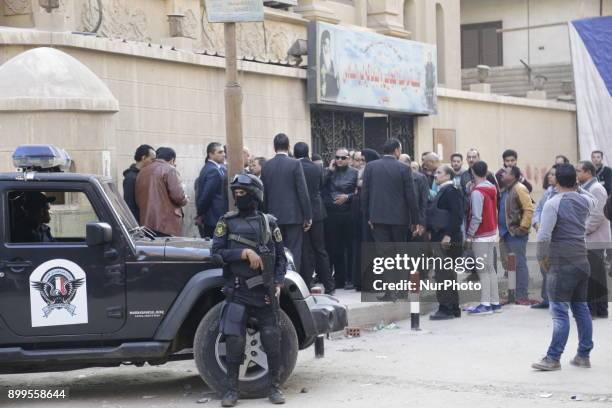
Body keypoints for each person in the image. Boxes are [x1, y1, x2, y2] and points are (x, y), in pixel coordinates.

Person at [212, 173, 287, 406]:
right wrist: (242, 253)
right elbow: (215, 254)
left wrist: (278, 282)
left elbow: (282, 258)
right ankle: (231, 390)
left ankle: (274, 387)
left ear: (254, 194)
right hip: (238, 290)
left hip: (264, 292)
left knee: (272, 339)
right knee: (234, 341)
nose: (237, 196)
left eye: (242, 193)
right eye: (235, 193)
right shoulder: (227, 222)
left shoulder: (269, 223)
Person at [532, 164, 595, 371]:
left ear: (556, 181)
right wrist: (578, 186)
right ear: (575, 181)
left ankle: (553, 358)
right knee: (581, 308)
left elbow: (543, 236)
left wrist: (541, 258)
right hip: (581, 261)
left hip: (562, 263)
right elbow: (592, 199)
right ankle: (583, 355)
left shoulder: (553, 203)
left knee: (559, 312)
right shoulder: (585, 200)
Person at [362, 139, 419, 300]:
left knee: (385, 255)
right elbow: (411, 196)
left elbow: (365, 194)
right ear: (396, 151)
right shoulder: (404, 168)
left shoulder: (371, 167)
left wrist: (368, 216)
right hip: (400, 219)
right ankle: (401, 290)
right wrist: (415, 220)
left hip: (377, 218)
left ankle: (390, 291)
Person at [261, 133, 312, 274]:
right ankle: (293, 278)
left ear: (274, 147)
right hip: (293, 215)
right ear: (289, 146)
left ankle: (278, 277)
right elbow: (302, 191)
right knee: (294, 250)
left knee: (276, 249)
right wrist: (307, 216)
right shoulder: (295, 163)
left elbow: (263, 193)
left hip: (272, 215)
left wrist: (265, 214)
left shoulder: (266, 166)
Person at [294, 142, 332, 292]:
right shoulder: (317, 168)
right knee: (320, 249)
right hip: (317, 212)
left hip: (300, 213)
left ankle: (307, 283)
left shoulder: (294, 167)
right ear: (308, 152)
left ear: (295, 154)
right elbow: (321, 185)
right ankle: (329, 284)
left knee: (304, 250)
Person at [427, 165, 463, 320]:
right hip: (440, 237)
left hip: (446, 239)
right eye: (435, 172)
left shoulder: (451, 190)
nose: (436, 175)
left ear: (448, 175)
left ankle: (446, 308)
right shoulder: (444, 189)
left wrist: (448, 235)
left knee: (443, 274)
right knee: (447, 274)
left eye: (439, 172)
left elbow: (457, 215)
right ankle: (453, 307)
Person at [465, 161, 501, 315]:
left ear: (473, 173)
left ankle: (485, 304)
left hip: (481, 235)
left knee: (482, 270)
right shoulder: (492, 187)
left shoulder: (477, 192)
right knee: (490, 269)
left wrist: (469, 234)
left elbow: (476, 217)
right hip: (492, 232)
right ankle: (495, 301)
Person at [576, 160, 610, 318]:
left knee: (593, 276)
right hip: (590, 239)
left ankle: (594, 310)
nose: (577, 174)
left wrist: (581, 231)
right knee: (595, 275)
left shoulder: (597, 189)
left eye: (579, 171)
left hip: (594, 239)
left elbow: (598, 215)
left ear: (588, 172)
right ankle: (599, 310)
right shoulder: (585, 188)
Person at [323, 148, 359, 290]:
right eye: (337, 157)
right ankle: (339, 279)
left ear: (349, 159)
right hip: (332, 214)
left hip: (348, 214)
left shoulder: (355, 173)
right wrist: (329, 171)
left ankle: (350, 277)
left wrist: (347, 197)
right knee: (334, 247)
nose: (339, 160)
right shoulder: (330, 172)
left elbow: (359, 192)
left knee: (349, 247)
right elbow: (320, 186)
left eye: (343, 158)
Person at [498, 166, 534, 304]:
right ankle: (513, 294)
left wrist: (523, 228)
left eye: (505, 172)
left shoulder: (520, 188)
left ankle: (522, 295)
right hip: (505, 233)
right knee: (509, 266)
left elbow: (529, 209)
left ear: (513, 176)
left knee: (519, 264)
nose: (502, 174)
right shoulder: (505, 190)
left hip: (516, 234)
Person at [136, 147, 188, 237]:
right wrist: (185, 199)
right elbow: (178, 196)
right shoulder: (170, 169)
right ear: (172, 160)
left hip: (146, 223)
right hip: (166, 225)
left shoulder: (142, 171)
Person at [531, 166, 559, 309]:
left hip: (553, 237)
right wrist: (536, 222)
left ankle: (554, 300)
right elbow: (538, 209)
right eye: (549, 174)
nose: (549, 177)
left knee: (552, 269)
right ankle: (546, 299)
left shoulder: (561, 194)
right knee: (544, 267)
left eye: (553, 175)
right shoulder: (548, 192)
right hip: (543, 235)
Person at [196, 142, 228, 239]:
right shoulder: (213, 170)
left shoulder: (214, 168)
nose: (224, 154)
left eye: (224, 152)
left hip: (213, 217)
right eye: (220, 152)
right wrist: (200, 214)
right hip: (214, 218)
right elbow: (206, 196)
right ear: (211, 154)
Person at [122, 144, 155, 222]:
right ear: (143, 158)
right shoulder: (131, 178)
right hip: (138, 224)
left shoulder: (146, 175)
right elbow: (129, 205)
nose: (154, 163)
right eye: (152, 160)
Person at [320, 30, 339, 99]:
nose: (327, 48)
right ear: (322, 45)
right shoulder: (319, 61)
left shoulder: (332, 62)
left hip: (332, 97)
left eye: (329, 45)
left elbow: (336, 84)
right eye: (325, 44)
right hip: (323, 98)